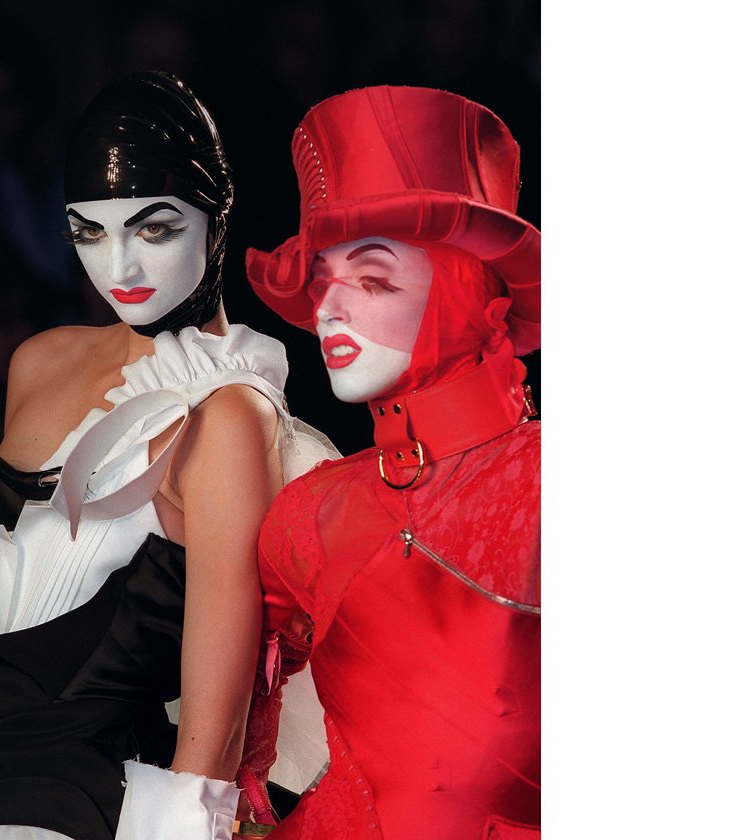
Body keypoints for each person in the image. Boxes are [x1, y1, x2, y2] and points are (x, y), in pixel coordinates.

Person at [0, 72, 336, 840]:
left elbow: (213, 738)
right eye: (88, 232)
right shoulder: (40, 361)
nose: (118, 266)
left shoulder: (228, 416)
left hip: (84, 805)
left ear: (217, 217)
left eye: (154, 229)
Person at [239, 86, 542, 838]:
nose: (328, 309)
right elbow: (239, 704)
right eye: (321, 281)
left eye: (373, 280)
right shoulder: (308, 514)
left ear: (468, 292)